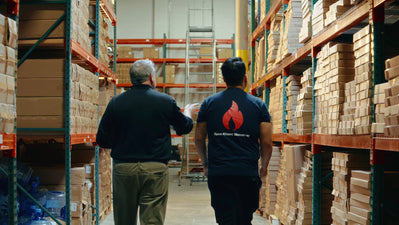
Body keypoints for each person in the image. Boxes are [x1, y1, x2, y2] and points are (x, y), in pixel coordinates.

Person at [96, 59, 197, 225]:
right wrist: (187, 112)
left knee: (123, 219)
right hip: (155, 169)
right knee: (152, 220)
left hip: (124, 169)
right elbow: (184, 128)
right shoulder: (165, 101)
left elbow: (102, 139)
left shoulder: (116, 102)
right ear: (151, 77)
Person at [194, 57, 273, 225]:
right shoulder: (259, 105)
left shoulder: (208, 104)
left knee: (225, 220)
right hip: (247, 173)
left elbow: (199, 137)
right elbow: (266, 142)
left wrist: (205, 163)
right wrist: (264, 166)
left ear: (223, 79)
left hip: (219, 173)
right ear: (245, 78)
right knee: (245, 219)